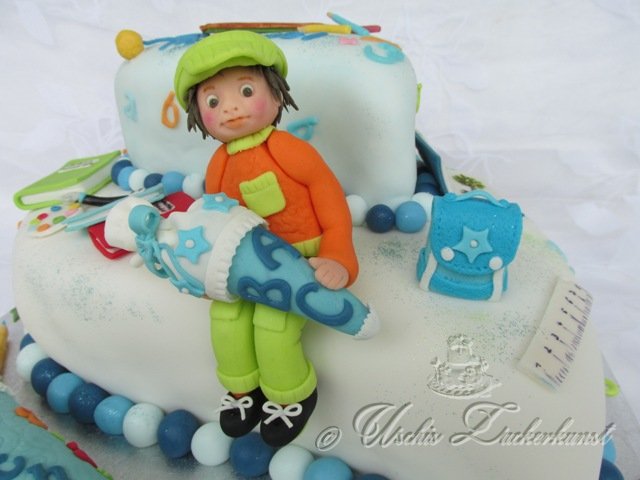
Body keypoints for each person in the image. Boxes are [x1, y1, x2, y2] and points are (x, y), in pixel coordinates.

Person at [174, 30, 358, 447]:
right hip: (239, 261)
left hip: (296, 259)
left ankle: (291, 393)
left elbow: (330, 199)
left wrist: (337, 254)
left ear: (277, 94)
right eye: (213, 101)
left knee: (272, 325)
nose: (230, 107)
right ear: (198, 113)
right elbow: (214, 220)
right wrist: (205, 270)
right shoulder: (218, 165)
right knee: (226, 318)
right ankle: (243, 388)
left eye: (245, 90)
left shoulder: (288, 149)